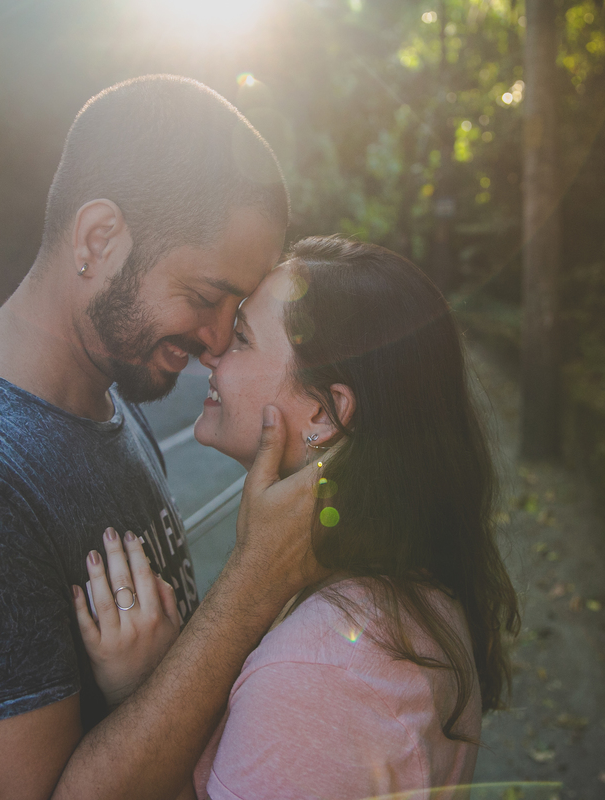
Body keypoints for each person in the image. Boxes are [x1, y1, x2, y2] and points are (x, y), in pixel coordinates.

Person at [0, 75, 322, 800]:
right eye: (204, 297)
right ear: (98, 239)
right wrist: (258, 581)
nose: (219, 340)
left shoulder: (112, 403)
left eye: (237, 307)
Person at [79, 236, 521, 798]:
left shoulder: (319, 679)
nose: (210, 351)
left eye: (241, 339)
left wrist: (140, 695)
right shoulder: (406, 588)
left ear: (324, 412)